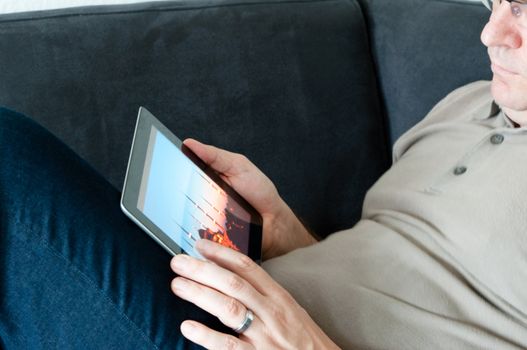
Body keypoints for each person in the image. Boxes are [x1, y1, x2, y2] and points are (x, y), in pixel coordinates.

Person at [1, 0, 526, 348]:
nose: (491, 33)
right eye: (496, 1)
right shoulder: (466, 102)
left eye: (523, 11)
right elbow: (391, 274)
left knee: (8, 157)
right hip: (230, 308)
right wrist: (285, 236)